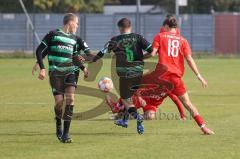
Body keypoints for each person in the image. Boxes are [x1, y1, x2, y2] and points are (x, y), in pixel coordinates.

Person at [150, 15, 214, 135]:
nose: (162, 29)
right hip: (175, 78)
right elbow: (189, 59)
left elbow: (152, 53)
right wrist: (199, 75)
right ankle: (203, 127)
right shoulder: (183, 40)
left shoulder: (159, 36)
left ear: (167, 26)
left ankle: (125, 110)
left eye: (163, 27)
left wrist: (140, 57)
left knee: (144, 95)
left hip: (161, 77)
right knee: (188, 104)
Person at [33, 13, 89, 143]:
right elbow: (39, 51)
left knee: (70, 99)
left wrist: (83, 67)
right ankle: (58, 122)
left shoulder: (75, 39)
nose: (77, 26)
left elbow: (77, 56)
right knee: (59, 103)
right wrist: (42, 67)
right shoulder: (53, 34)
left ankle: (66, 134)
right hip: (55, 74)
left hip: (70, 73)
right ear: (70, 23)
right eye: (77, 23)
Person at [91, 18, 152, 134]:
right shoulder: (138, 37)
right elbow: (152, 51)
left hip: (124, 74)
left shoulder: (114, 40)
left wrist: (92, 60)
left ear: (119, 27)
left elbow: (102, 52)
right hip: (138, 72)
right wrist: (141, 58)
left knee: (125, 99)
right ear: (130, 27)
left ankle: (137, 117)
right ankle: (124, 120)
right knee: (129, 98)